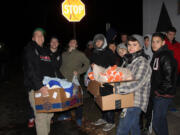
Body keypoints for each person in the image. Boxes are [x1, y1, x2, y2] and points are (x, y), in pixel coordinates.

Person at [23, 28, 58, 135]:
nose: (40, 36)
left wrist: (62, 82)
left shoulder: (46, 51)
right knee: (41, 116)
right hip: (37, 89)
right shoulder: (30, 49)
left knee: (49, 114)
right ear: (33, 38)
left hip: (49, 88)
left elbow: (54, 69)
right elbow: (30, 70)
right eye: (37, 35)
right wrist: (39, 86)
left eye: (42, 35)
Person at [115, 35, 152, 135]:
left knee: (122, 130)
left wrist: (115, 89)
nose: (131, 47)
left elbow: (136, 83)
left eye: (134, 45)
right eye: (129, 45)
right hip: (128, 98)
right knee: (134, 126)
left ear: (140, 47)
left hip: (135, 101)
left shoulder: (142, 63)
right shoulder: (131, 61)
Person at [151, 33, 177, 135]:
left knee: (157, 122)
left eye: (157, 42)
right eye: (153, 41)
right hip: (159, 93)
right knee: (161, 120)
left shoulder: (165, 56)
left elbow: (169, 79)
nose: (154, 44)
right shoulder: (157, 55)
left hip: (163, 95)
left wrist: (158, 92)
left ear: (163, 43)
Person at [59, 39, 90, 126]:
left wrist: (79, 71)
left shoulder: (80, 54)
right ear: (69, 43)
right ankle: (67, 115)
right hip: (63, 80)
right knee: (66, 98)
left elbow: (87, 63)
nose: (72, 43)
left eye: (75, 42)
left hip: (74, 80)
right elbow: (60, 65)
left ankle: (79, 118)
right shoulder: (63, 54)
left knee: (78, 99)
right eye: (71, 41)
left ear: (76, 46)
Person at [91, 34, 117, 132]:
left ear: (104, 41)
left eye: (100, 41)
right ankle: (104, 118)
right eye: (96, 41)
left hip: (107, 80)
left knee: (108, 99)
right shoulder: (94, 52)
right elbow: (92, 62)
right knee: (100, 98)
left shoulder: (108, 52)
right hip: (98, 80)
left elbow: (113, 65)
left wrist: (106, 73)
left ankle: (111, 122)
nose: (98, 43)